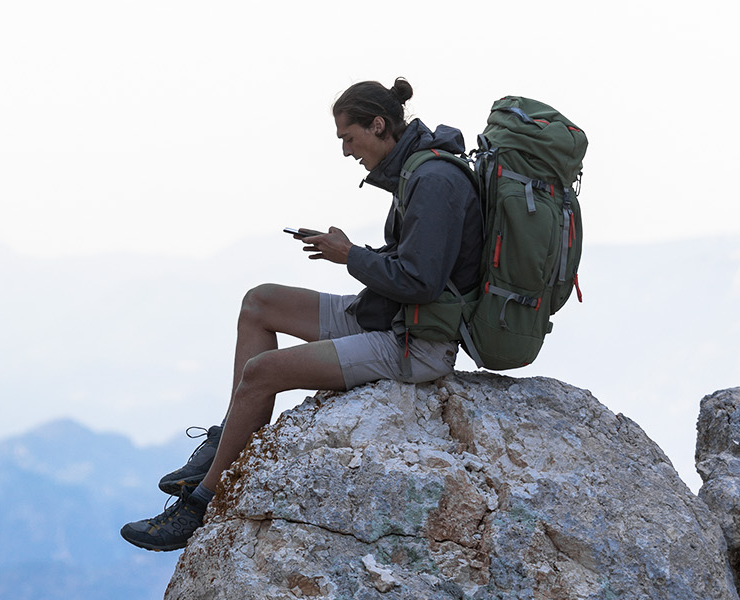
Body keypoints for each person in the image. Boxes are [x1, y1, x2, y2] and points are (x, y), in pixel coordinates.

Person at [120, 77, 483, 552]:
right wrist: (352, 252)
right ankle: (227, 436)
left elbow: (421, 281)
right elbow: (418, 266)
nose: (347, 151)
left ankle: (200, 502)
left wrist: (348, 254)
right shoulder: (419, 169)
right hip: (390, 315)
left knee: (262, 372)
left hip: (415, 343)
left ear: (378, 125)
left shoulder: (433, 180)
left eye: (348, 138)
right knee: (260, 302)